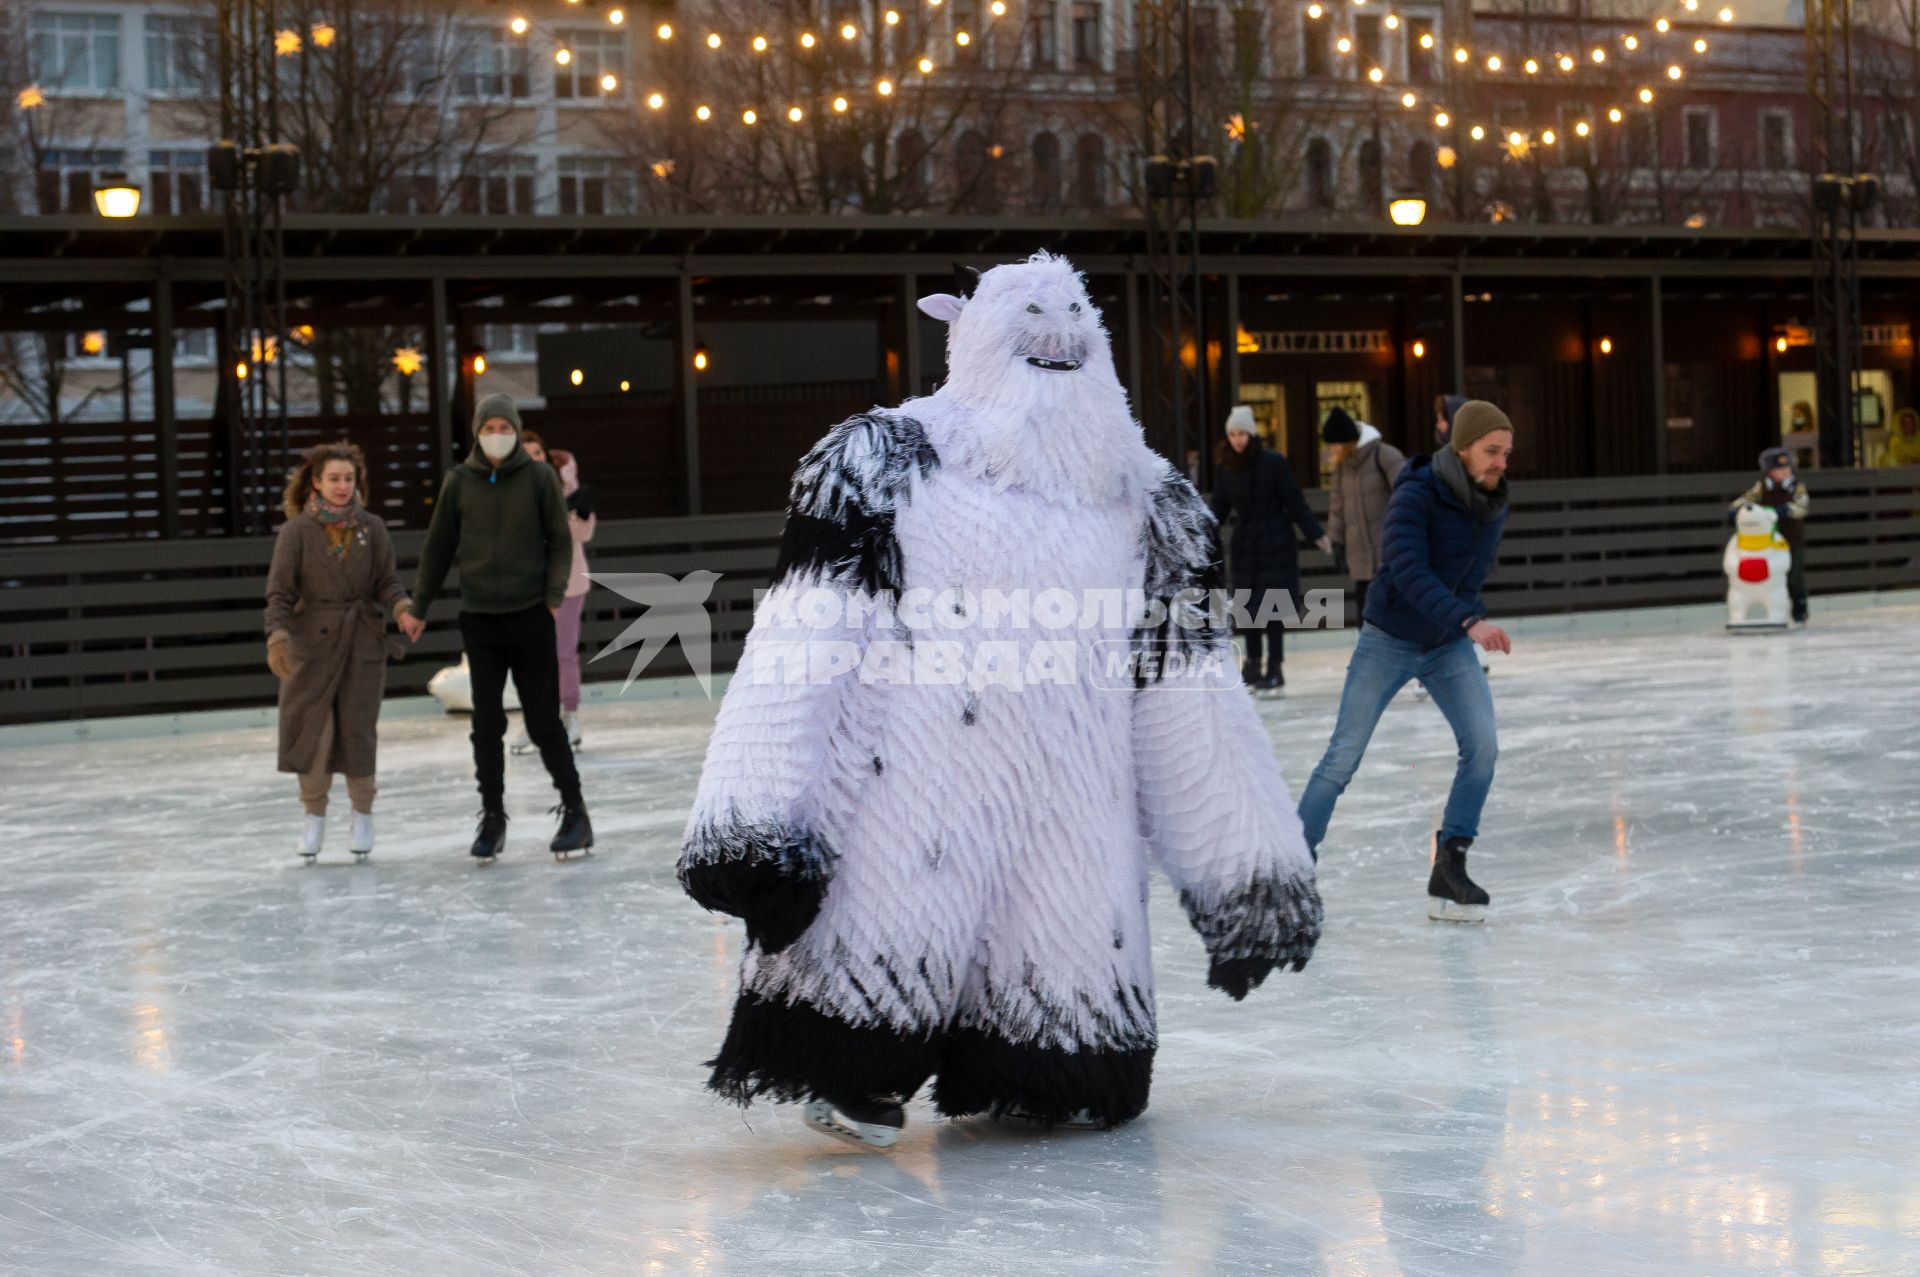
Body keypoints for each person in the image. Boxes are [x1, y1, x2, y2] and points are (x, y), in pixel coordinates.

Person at [677, 253, 1321, 1149]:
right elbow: (803, 641)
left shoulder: (1147, 500)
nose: (1054, 328)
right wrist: (753, 824)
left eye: (1071, 316)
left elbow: (1190, 691)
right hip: (912, 790)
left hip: (1071, 813)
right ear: (972, 336)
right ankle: (860, 1072)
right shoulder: (885, 461)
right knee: (872, 989)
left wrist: (1249, 876)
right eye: (1028, 318)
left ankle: (1034, 1062)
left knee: (1070, 1060)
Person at [1296, 400, 1515, 923]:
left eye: (1507, 453)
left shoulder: (1492, 502)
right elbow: (1408, 569)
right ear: (1462, 448)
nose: (1501, 463)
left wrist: (1463, 621)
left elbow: (1467, 574)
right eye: (1491, 451)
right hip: (1390, 637)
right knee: (1341, 758)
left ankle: (1450, 863)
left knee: (1482, 748)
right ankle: (1292, 871)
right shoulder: (1415, 493)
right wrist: (1470, 622)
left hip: (1445, 644)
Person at [402, 394, 593, 861]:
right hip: (481, 619)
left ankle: (575, 811)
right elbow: (439, 546)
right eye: (488, 427)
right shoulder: (460, 482)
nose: (496, 435)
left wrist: (550, 600)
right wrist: (419, 605)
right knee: (485, 725)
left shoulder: (539, 478)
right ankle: (492, 818)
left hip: (529, 615)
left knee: (544, 721)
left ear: (515, 427)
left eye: (503, 426)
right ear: (476, 432)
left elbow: (559, 542)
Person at [264, 441, 411, 862]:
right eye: (334, 479)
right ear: (316, 482)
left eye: (348, 478)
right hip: (310, 648)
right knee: (313, 732)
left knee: (357, 728)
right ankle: (313, 817)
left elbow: (388, 581)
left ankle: (362, 813)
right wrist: (277, 636)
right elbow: (279, 594)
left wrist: (401, 607)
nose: (342, 486)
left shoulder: (372, 528)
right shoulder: (296, 533)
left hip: (361, 643)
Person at [1212, 404, 1329, 693]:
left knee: (1272, 608)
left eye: (1242, 433)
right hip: (1245, 545)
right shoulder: (1226, 467)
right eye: (1232, 434)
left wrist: (1316, 534)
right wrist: (1201, 532)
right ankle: (1252, 664)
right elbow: (1219, 508)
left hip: (1275, 541)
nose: (1237, 440)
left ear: (1252, 433)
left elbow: (1295, 502)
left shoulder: (1273, 462)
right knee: (1249, 607)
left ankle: (1274, 668)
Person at [513, 446, 595, 755]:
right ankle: (536, 720)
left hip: (568, 584)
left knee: (563, 652)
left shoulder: (564, 489)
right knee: (531, 657)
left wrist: (570, 483)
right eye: (526, 452)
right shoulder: (514, 490)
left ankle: (569, 715)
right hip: (530, 586)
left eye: (537, 452)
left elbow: (582, 533)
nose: (532, 457)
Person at [1322, 407, 1407, 625]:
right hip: (1360, 555)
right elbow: (1338, 506)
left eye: (1334, 444)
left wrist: (1403, 536)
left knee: (1393, 613)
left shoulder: (1385, 455)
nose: (1332, 450)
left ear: (1347, 442)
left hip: (1389, 551)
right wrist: (1337, 541)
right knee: (1366, 615)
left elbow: (1408, 495)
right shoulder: (1342, 468)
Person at [1729, 446, 1811, 625]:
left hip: (1792, 539)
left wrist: (1785, 510)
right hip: (1770, 542)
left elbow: (1802, 507)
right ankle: (1778, 609)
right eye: (1779, 469)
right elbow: (1748, 499)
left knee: (1794, 577)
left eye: (1787, 468)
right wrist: (1736, 508)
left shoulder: (1797, 486)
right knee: (1774, 575)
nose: (1784, 472)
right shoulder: (1762, 487)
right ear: (1769, 471)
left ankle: (1800, 608)